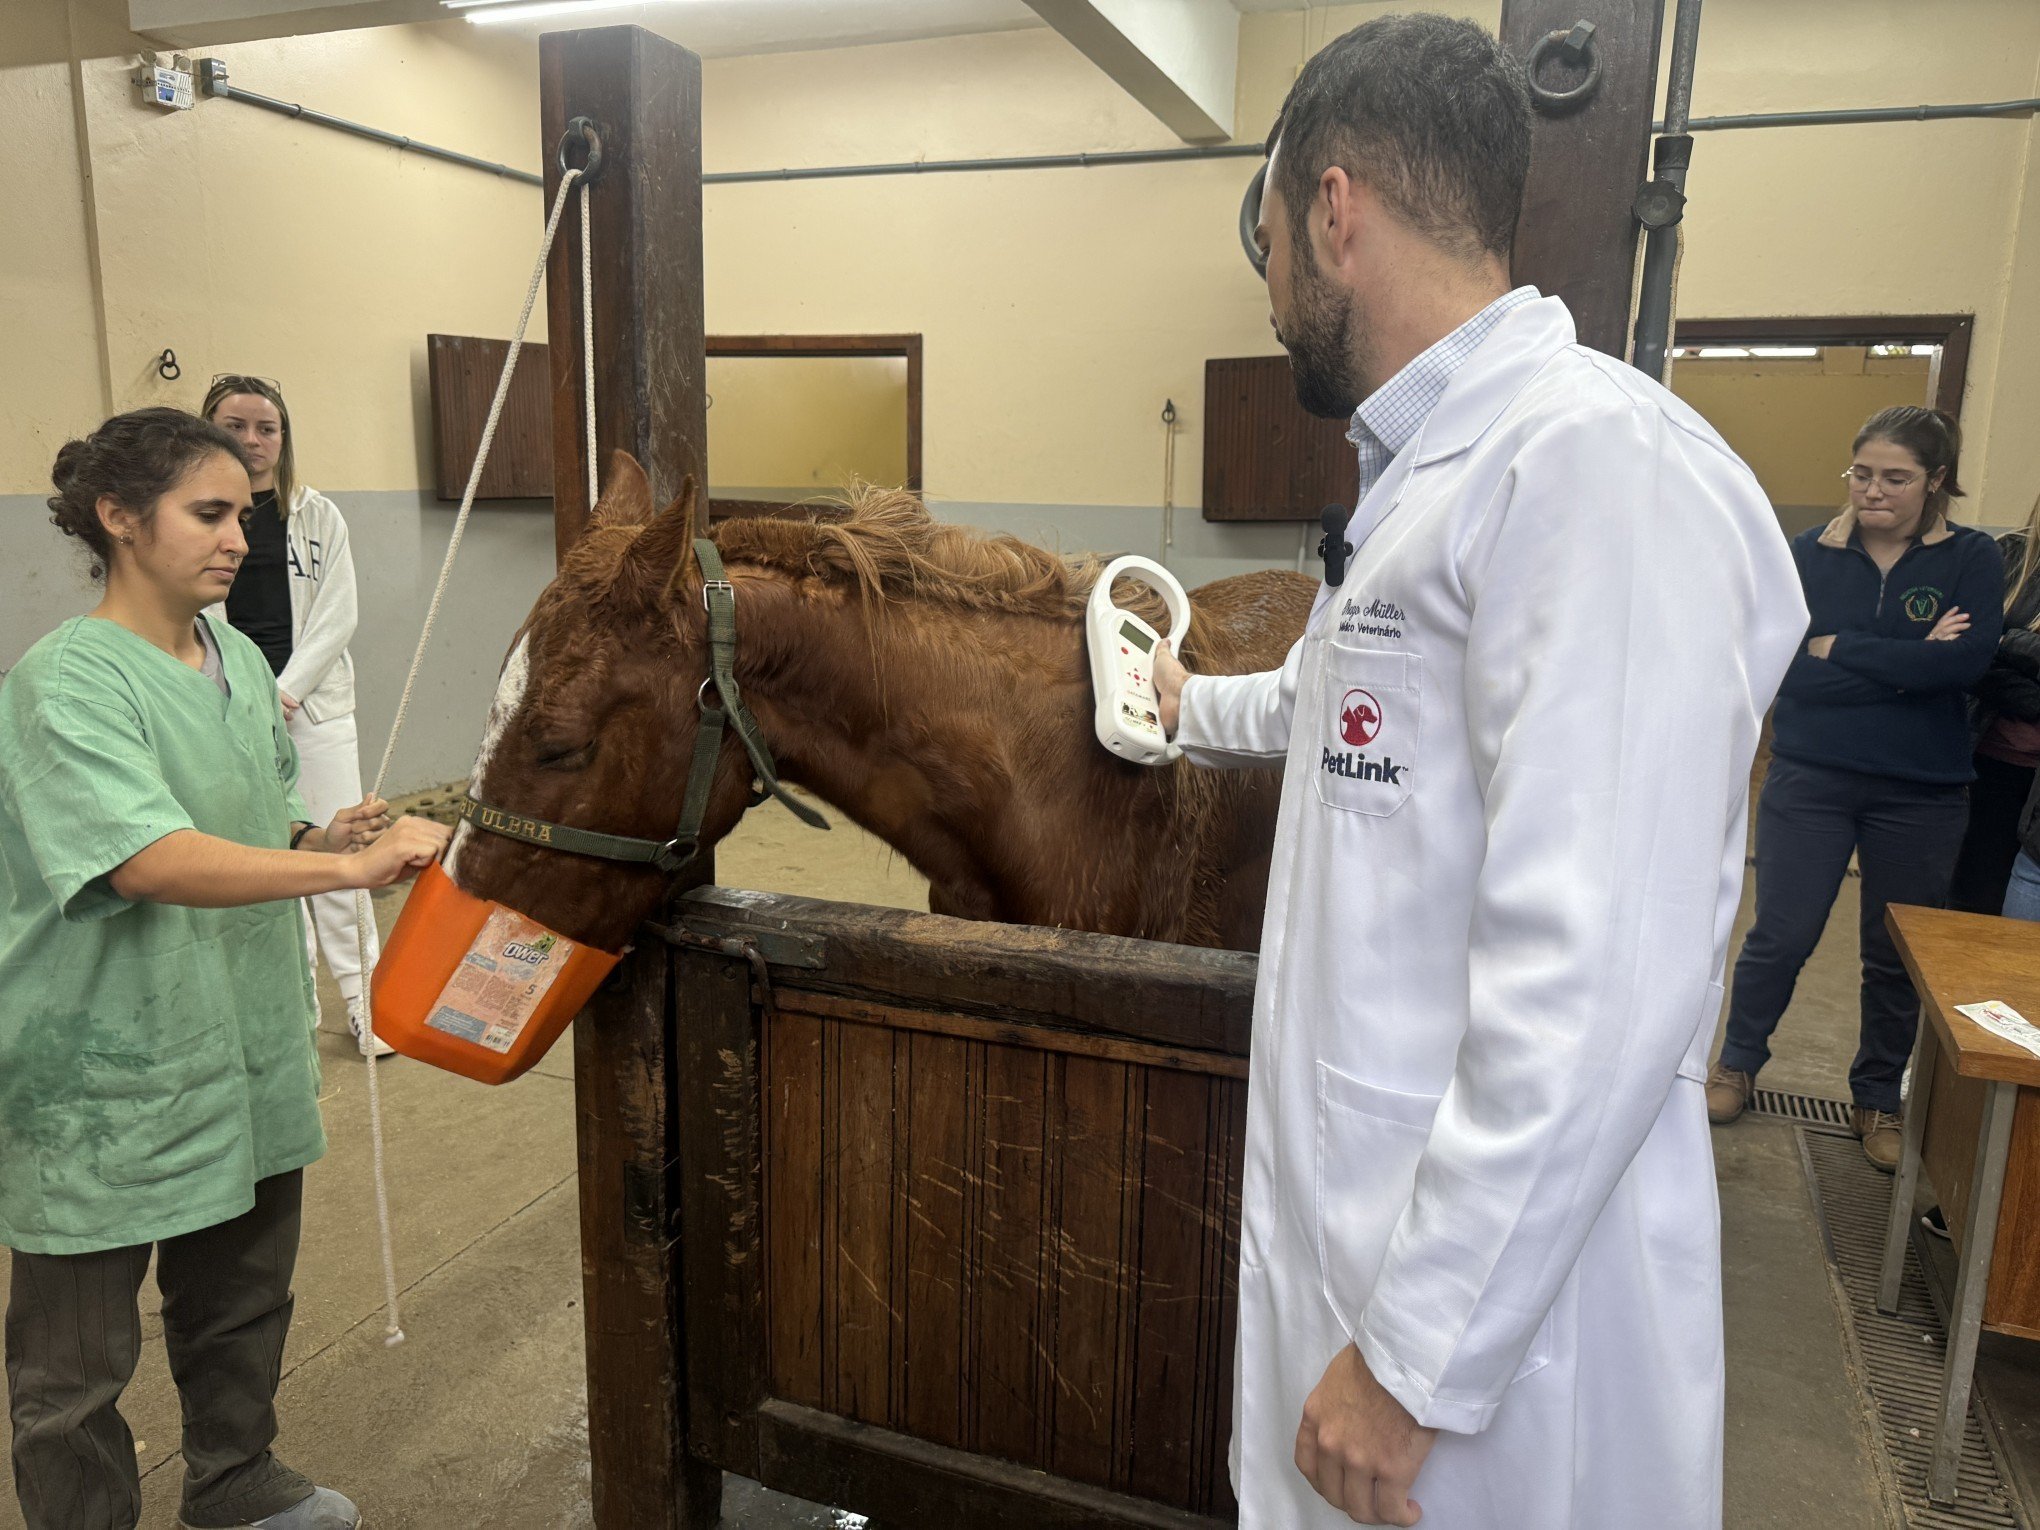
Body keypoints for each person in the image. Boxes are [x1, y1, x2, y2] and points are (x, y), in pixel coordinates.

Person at [1147, 16, 1805, 1528]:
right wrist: (1184, 705)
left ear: (1333, 210)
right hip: (1373, 1274)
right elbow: (1343, 711)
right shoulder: (1430, 483)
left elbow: (1600, 977)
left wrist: (1418, 1358)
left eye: (1268, 249)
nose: (1270, 302)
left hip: (1501, 1361)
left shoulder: (1591, 469)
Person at [1, 408, 451, 1530]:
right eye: (209, 513)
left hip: (241, 1039)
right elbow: (147, 857)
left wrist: (322, 841)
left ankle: (236, 1482)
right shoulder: (66, 682)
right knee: (73, 1369)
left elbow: (254, 815)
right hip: (103, 1069)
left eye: (244, 514)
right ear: (119, 519)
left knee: (240, 1301)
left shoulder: (239, 660)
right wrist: (347, 883)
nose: (238, 538)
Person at [1707, 408, 2002, 1168]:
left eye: (1896, 478)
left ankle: (1876, 1101)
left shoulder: (1972, 558)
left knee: (1892, 952)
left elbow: (1962, 668)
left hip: (1923, 791)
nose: (1874, 491)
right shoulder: (1810, 554)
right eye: (1862, 474)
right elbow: (1785, 669)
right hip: (1812, 777)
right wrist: (1904, 664)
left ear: (1936, 481)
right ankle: (1736, 1064)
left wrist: (1843, 650)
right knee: (1781, 935)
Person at [201, 375, 390, 1058]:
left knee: (341, 847)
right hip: (223, 705)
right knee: (268, 856)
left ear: (284, 438)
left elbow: (339, 612)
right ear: (209, 429)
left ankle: (368, 1001)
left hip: (313, 705)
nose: (251, 440)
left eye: (266, 428)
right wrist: (243, 695)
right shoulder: (196, 515)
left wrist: (283, 691)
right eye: (235, 425)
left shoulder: (317, 515)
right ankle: (299, 1006)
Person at [1948, 493, 2040, 914]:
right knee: (1972, 906)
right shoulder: (2007, 555)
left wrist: (2008, 640)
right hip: (1990, 766)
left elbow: (1994, 644)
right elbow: (1970, 654)